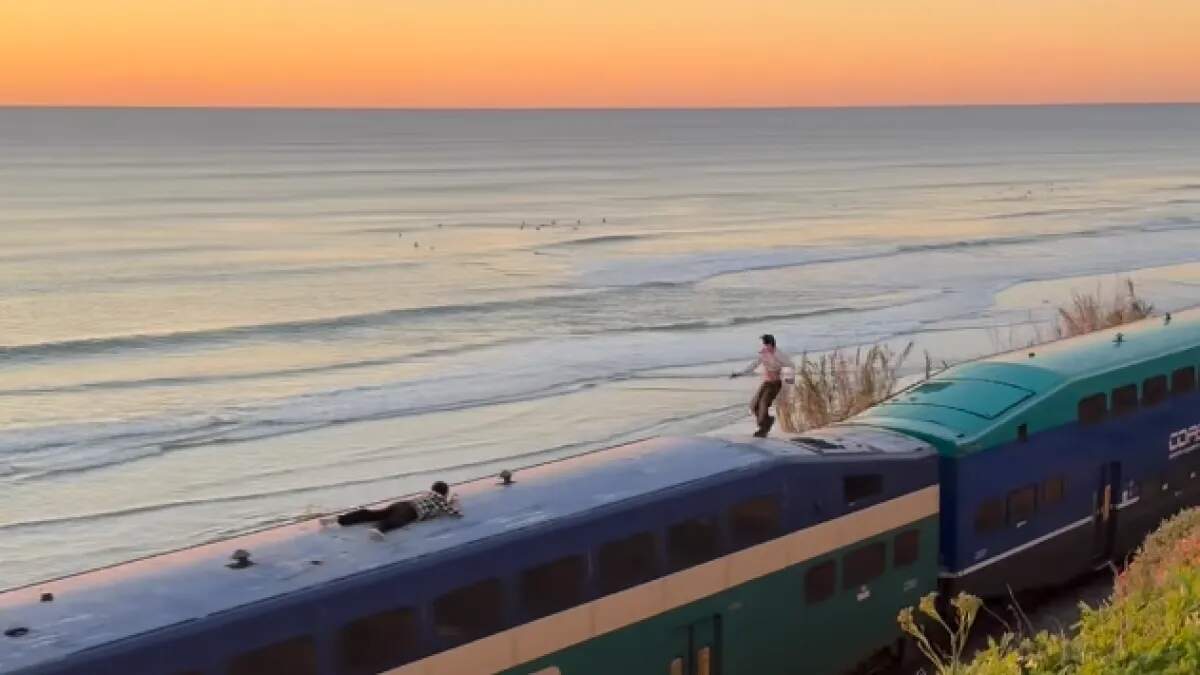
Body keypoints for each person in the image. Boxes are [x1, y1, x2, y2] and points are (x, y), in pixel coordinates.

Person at [323, 481, 463, 540]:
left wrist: (450, 501)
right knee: (396, 521)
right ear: (445, 493)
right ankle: (379, 529)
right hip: (412, 512)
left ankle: (338, 519)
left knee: (374, 514)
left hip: (401, 504)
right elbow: (454, 513)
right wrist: (455, 503)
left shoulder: (428, 494)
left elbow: (440, 504)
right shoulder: (441, 501)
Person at [731, 334, 795, 437]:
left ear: (771, 344)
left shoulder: (779, 354)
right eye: (764, 344)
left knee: (763, 403)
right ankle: (767, 422)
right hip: (766, 383)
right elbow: (753, 365)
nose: (764, 347)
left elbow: (791, 365)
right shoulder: (763, 353)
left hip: (775, 383)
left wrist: (789, 379)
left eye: (766, 344)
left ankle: (763, 428)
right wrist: (739, 373)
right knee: (754, 405)